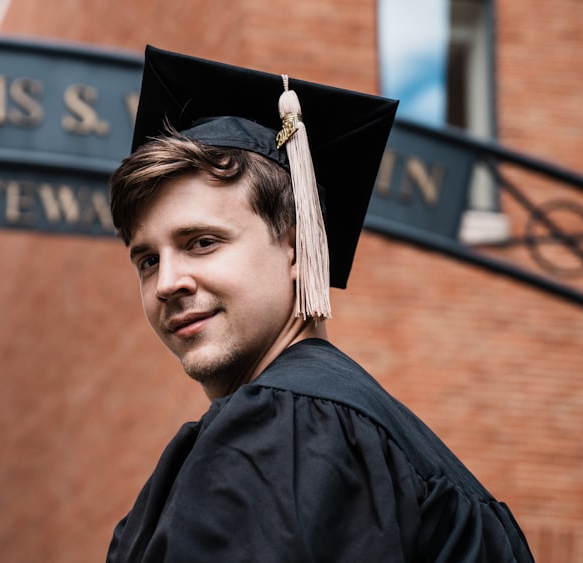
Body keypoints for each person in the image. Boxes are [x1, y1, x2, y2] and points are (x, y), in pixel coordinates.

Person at [105, 46, 534, 562]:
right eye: (147, 260)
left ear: (296, 246)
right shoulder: (393, 444)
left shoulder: (281, 429)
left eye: (202, 242)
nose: (166, 282)